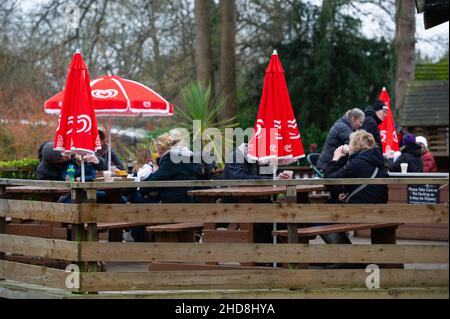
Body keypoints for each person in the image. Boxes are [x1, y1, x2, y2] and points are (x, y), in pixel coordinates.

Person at [325, 130, 389, 204]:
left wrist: (335, 158)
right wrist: (349, 194)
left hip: (361, 211)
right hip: (380, 209)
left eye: (350, 143)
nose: (348, 145)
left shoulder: (357, 163)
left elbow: (328, 180)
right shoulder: (377, 160)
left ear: (356, 146)